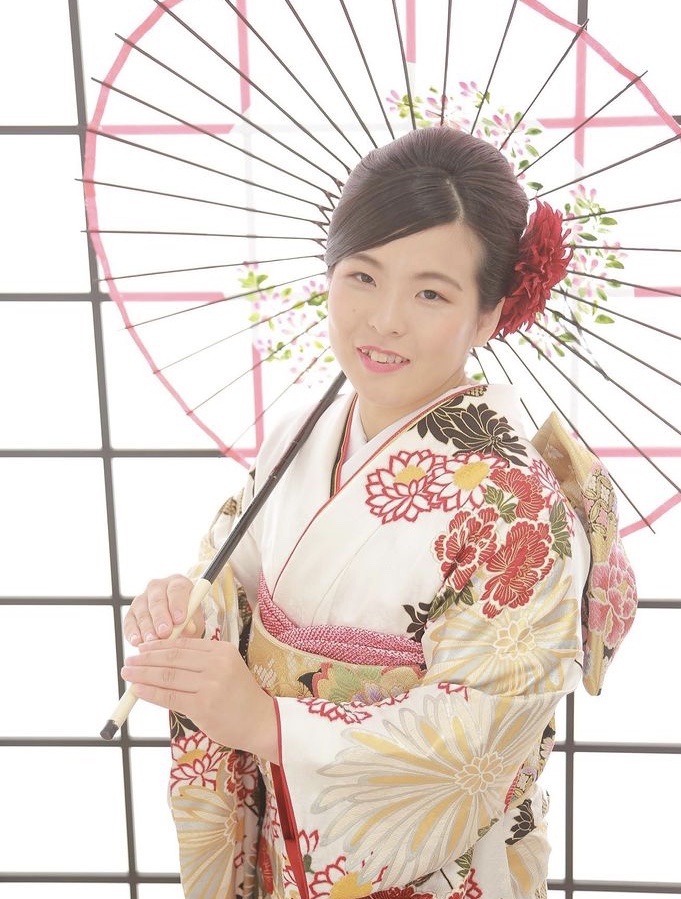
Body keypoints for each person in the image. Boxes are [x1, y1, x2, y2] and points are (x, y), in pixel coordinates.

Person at [121, 126, 637, 899]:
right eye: (362, 276)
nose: (384, 319)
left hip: (431, 872)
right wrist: (189, 605)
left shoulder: (517, 505)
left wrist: (265, 722)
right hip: (285, 843)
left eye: (431, 293)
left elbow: (479, 740)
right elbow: (231, 572)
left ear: (489, 314)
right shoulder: (299, 433)